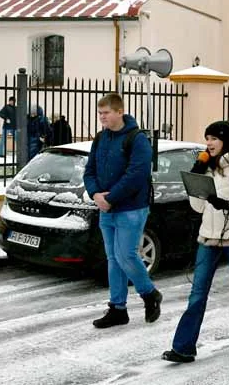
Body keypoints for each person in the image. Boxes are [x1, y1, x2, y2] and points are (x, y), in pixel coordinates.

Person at [163, 121, 229, 363]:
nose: (209, 143)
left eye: (213, 138)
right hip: (209, 237)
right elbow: (199, 207)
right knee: (197, 293)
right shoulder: (207, 166)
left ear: (225, 140)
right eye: (207, 138)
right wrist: (196, 183)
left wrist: (228, 204)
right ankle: (183, 347)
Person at [83, 93, 162, 329]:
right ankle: (118, 309)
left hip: (131, 208)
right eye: (100, 113)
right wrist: (96, 194)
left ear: (119, 112)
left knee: (126, 255)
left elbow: (136, 175)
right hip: (106, 208)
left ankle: (150, 294)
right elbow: (89, 170)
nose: (102, 118)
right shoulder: (101, 138)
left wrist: (111, 198)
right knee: (113, 259)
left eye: (106, 113)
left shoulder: (137, 139)